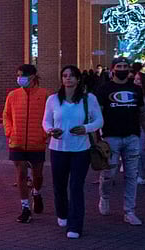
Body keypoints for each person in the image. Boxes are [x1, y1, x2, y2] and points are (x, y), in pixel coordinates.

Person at [43, 65, 103, 239]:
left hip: (80, 150)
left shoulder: (88, 99)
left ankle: (75, 225)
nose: (68, 79)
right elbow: (46, 121)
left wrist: (86, 128)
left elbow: (99, 120)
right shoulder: (53, 99)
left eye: (71, 76)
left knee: (76, 187)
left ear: (78, 79)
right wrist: (51, 130)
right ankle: (62, 213)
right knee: (59, 185)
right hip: (58, 148)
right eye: (65, 76)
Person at [96, 57, 145, 226]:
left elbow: (141, 111)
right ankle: (104, 197)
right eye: (119, 66)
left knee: (132, 175)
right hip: (111, 137)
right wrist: (98, 136)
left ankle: (129, 210)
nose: (123, 69)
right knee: (109, 173)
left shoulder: (136, 89)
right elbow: (98, 114)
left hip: (132, 136)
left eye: (125, 66)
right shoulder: (104, 89)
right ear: (112, 69)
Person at [3, 64, 50, 223]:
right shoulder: (13, 95)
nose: (19, 78)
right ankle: (25, 207)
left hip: (37, 142)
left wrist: (44, 134)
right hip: (17, 141)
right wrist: (9, 131)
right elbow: (6, 115)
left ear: (32, 76)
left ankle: (36, 193)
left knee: (38, 175)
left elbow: (49, 117)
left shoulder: (44, 95)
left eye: (22, 75)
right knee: (21, 173)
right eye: (18, 75)